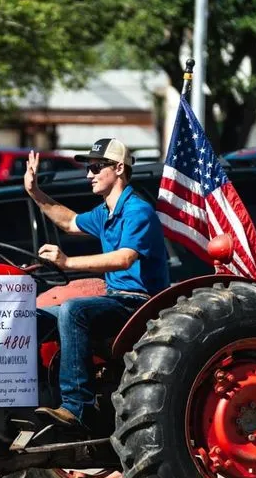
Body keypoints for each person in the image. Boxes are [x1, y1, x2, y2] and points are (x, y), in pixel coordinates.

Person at [23, 139, 169, 426]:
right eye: (88, 168)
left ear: (118, 169)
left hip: (139, 304)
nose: (88, 174)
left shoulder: (138, 211)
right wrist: (35, 192)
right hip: (115, 298)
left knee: (73, 310)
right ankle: (30, 400)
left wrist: (67, 263)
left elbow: (124, 258)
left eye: (95, 167)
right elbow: (70, 222)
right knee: (33, 318)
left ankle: (78, 406)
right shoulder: (105, 212)